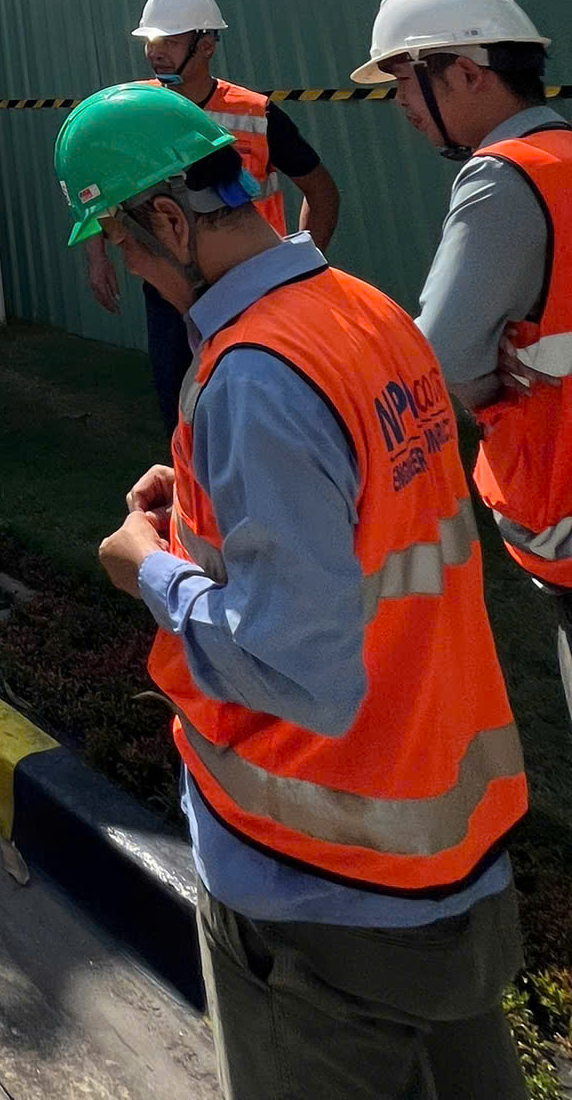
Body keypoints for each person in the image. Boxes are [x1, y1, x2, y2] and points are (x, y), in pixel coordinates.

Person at [59, 81, 528, 1100]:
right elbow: (370, 524)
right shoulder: (367, 312)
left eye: (126, 245)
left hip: (319, 890)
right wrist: (210, 500)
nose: (132, 269)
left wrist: (149, 568)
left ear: (171, 221)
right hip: (444, 856)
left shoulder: (254, 374)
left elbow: (294, 668)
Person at [354, 0, 572, 711]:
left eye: (404, 81)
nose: (401, 104)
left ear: (469, 73)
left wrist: (485, 380)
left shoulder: (502, 178)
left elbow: (439, 361)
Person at [81, 0, 342, 432]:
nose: (156, 52)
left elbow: (322, 193)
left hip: (252, 292)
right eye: (150, 41)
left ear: (206, 45)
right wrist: (97, 256)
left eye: (170, 41)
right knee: (182, 416)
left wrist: (300, 268)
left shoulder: (255, 113)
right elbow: (98, 188)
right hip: (169, 291)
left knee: (256, 414)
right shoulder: (133, 110)